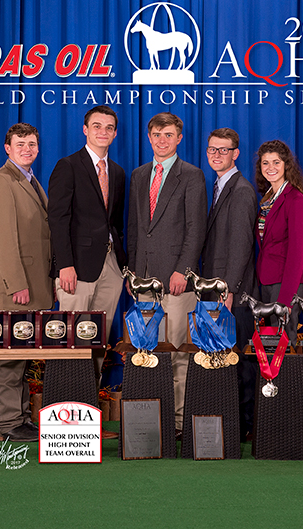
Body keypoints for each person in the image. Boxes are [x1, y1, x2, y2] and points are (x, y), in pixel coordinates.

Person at [127, 112, 207, 435]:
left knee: (176, 355)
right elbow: (135, 229)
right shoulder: (138, 175)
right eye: (157, 134)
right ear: (150, 138)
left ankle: (176, 423)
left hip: (176, 281)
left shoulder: (192, 175)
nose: (163, 140)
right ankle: (150, 421)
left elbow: (195, 229)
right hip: (144, 281)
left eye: (169, 135)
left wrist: (183, 271)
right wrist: (133, 274)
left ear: (179, 138)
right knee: (146, 354)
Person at [0, 123, 53, 442]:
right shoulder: (1, 181)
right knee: (7, 355)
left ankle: (19, 418)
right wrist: (15, 283)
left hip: (35, 283)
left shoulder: (31, 180)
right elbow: (2, 238)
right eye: (20, 144)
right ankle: (6, 424)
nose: (27, 148)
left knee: (21, 352)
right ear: (7, 148)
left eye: (32, 144)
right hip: (17, 285)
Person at [48, 105, 126, 383]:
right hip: (77, 269)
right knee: (72, 339)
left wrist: (123, 267)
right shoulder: (68, 166)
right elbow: (57, 219)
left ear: (115, 134)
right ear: (85, 130)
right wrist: (64, 265)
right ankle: (66, 401)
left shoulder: (116, 172)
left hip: (110, 267)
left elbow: (114, 224)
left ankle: (88, 400)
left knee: (98, 340)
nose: (102, 132)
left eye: (108, 127)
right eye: (96, 126)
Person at [201, 127, 259, 440]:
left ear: (235, 153)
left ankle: (246, 425)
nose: (217, 155)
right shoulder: (220, 187)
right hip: (217, 289)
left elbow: (240, 246)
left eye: (223, 150)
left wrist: (229, 289)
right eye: (212, 149)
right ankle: (232, 420)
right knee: (225, 357)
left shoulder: (241, 190)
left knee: (239, 360)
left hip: (231, 293)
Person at [254, 140, 303, 345]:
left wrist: (286, 297)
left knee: (285, 343)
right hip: (268, 280)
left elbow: (298, 253)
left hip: (287, 284)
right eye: (265, 163)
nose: (271, 168)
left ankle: (289, 379)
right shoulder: (268, 198)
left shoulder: (296, 200)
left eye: (276, 162)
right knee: (271, 342)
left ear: (286, 165)